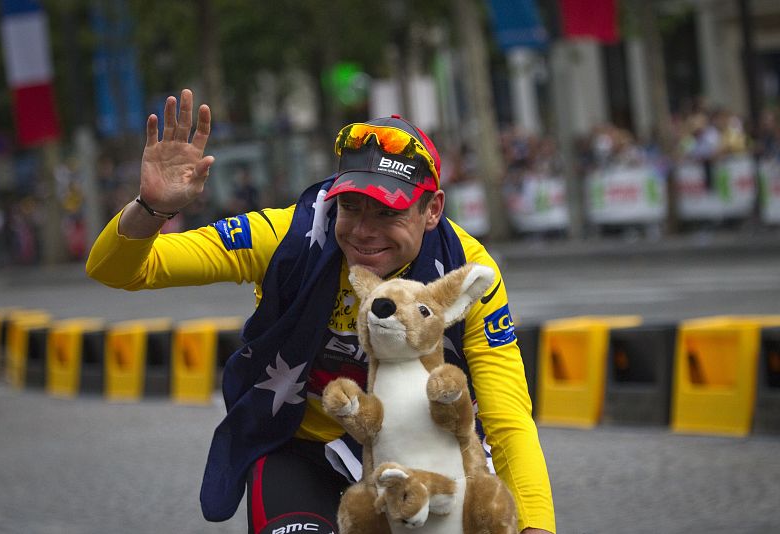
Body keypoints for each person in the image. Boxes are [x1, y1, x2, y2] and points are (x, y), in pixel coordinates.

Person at [86, 89, 555, 534]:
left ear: (431, 210)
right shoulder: (286, 237)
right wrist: (151, 207)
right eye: (351, 207)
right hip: (303, 451)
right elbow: (120, 270)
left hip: (421, 461)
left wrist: (536, 525)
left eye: (387, 213)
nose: (364, 232)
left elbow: (508, 416)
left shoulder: (466, 273)